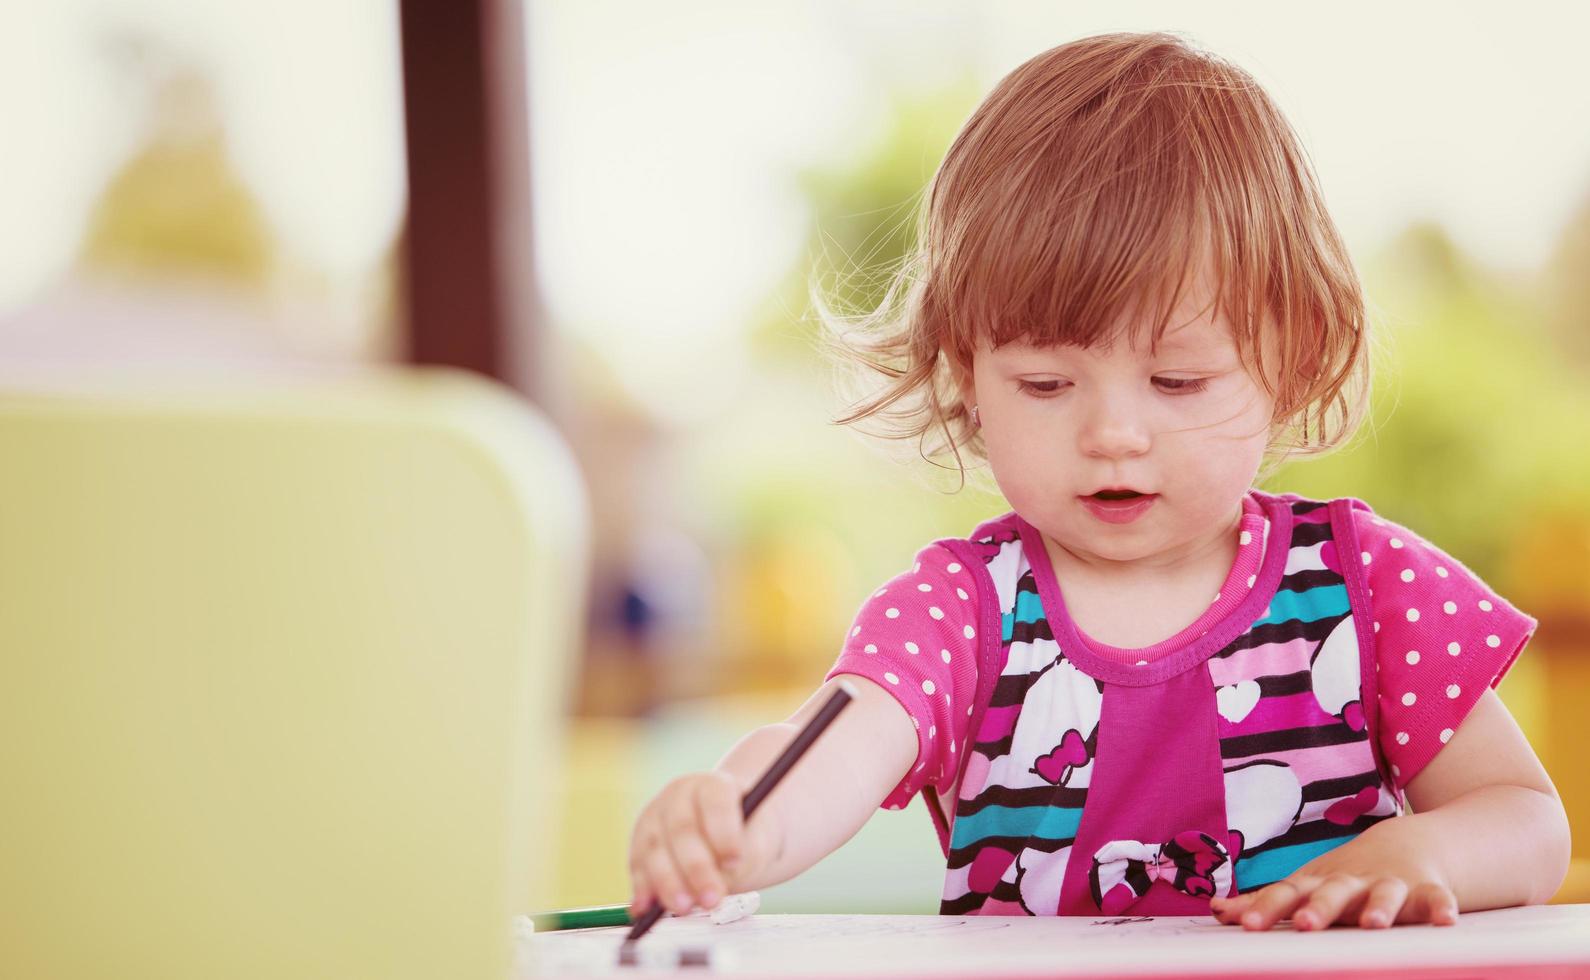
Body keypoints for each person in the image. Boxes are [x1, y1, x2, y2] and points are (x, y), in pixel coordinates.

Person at [626, 31, 1570, 930]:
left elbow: (1525, 819)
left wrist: (1427, 854)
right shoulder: (963, 610)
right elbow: (839, 742)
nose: (1113, 433)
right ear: (965, 376)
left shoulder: (1365, 586)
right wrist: (737, 822)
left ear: (1291, 359)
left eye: (1178, 381)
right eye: (1044, 384)